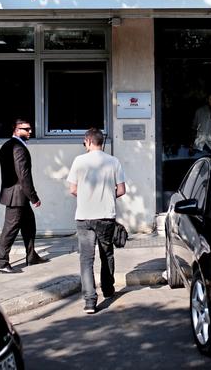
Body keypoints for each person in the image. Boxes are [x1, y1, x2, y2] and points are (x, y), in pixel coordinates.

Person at [67, 128, 126, 314]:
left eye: (85, 142)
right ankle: (108, 290)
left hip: (84, 216)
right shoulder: (113, 161)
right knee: (106, 254)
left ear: (88, 141)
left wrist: (87, 196)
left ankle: (90, 301)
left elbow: (73, 190)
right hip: (106, 216)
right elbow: (122, 190)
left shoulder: (78, 161)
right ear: (101, 142)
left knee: (86, 259)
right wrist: (107, 196)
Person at [0, 119, 48, 274]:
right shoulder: (18, 148)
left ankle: (31, 256)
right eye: (26, 129)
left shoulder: (6, 146)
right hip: (17, 196)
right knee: (10, 230)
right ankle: (1, 263)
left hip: (17, 195)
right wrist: (34, 197)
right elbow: (23, 176)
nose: (30, 131)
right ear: (16, 130)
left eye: (30, 129)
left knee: (29, 225)